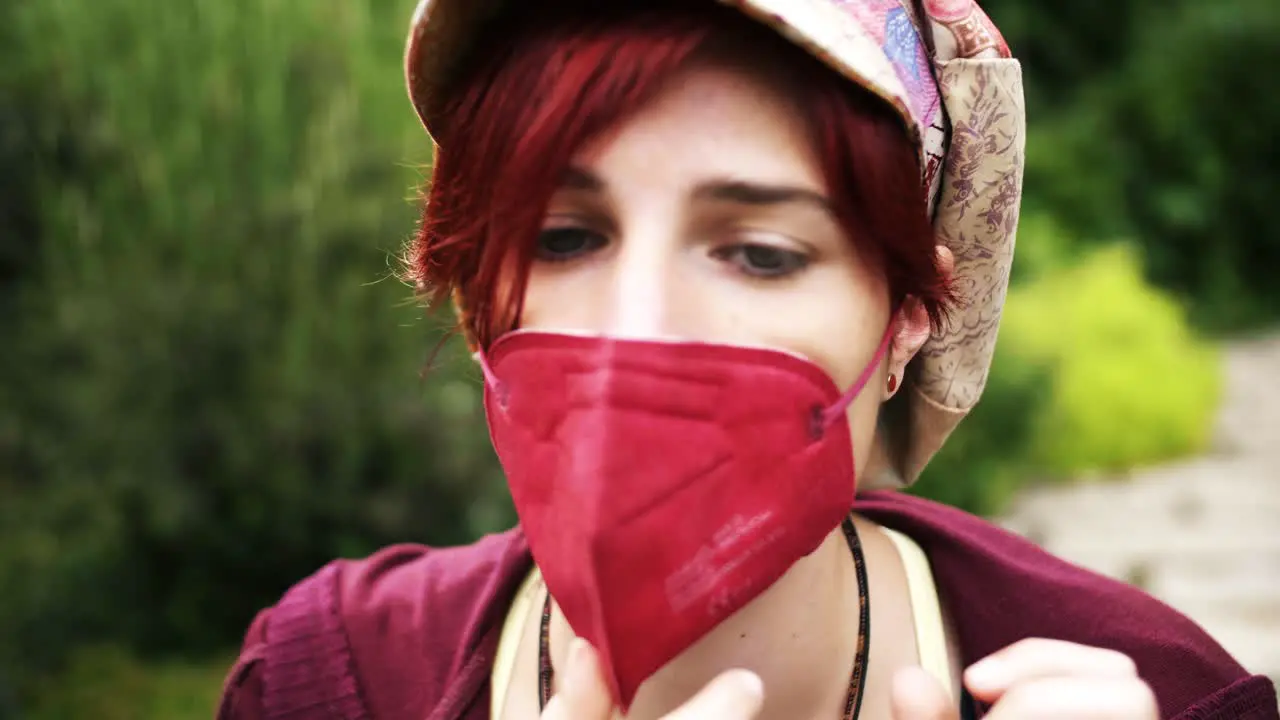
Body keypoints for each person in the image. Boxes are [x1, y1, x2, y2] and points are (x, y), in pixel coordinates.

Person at [217, 0, 1279, 718]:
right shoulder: (332, 679)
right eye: (562, 237)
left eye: (760, 254)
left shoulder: (1160, 690)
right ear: (475, 299)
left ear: (907, 319)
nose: (637, 325)